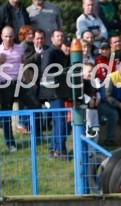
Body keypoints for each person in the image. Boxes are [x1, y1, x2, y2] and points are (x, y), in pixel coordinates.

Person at [0, 26, 42, 153]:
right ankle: (10, 143)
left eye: (11, 36)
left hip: (20, 82)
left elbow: (24, 65)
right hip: (4, 83)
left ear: (14, 36)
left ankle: (37, 136)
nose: (8, 39)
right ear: (2, 37)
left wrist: (30, 81)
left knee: (36, 105)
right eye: (6, 36)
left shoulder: (19, 48)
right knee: (6, 113)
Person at [39, 29, 71, 158]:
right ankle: (60, 149)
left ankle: (54, 149)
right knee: (60, 120)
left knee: (58, 121)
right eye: (58, 36)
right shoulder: (50, 52)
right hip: (53, 91)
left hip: (58, 90)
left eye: (62, 36)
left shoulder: (60, 53)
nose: (60, 38)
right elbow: (45, 70)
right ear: (52, 38)